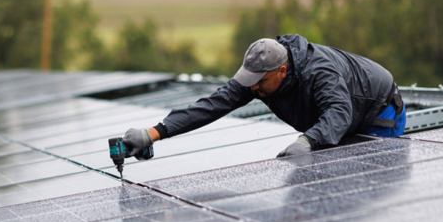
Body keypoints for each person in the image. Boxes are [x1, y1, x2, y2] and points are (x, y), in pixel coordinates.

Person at [123, 34, 406, 158]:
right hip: (343, 115)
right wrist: (154, 133)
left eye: (260, 82)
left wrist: (308, 139)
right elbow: (211, 106)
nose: (253, 87)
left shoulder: (319, 72)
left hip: (378, 111)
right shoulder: (259, 75)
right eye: (250, 81)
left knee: (360, 176)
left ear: (282, 70)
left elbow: (338, 112)